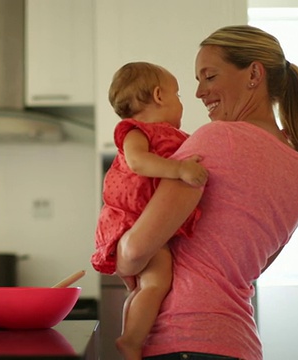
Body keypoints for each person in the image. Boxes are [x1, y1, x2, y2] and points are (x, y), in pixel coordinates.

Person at [114, 25, 298, 360]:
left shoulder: (217, 139)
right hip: (239, 343)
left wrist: (120, 249)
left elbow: (134, 250)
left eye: (209, 77)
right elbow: (248, 267)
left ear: (254, 74)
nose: (199, 92)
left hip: (183, 338)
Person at [91, 62, 208, 360]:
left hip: (141, 221)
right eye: (178, 94)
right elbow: (137, 163)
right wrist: (180, 169)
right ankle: (131, 341)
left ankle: (130, 336)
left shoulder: (167, 135)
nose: (183, 102)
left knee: (144, 287)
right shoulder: (136, 131)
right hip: (130, 221)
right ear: (158, 95)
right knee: (157, 282)